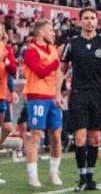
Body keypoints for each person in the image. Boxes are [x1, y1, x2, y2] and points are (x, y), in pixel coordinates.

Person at [60, 8, 101, 191]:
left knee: (95, 139)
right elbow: (61, 69)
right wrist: (57, 92)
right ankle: (81, 179)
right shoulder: (72, 44)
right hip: (78, 94)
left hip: (97, 95)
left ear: (97, 21)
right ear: (80, 21)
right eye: (86, 18)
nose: (89, 21)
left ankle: (90, 178)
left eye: (92, 18)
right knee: (80, 137)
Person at [22, 19, 64, 188]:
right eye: (51, 30)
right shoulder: (30, 51)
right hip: (37, 96)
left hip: (52, 97)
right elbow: (40, 71)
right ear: (41, 33)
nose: (54, 33)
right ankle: (32, 174)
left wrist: (59, 92)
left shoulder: (53, 49)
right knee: (36, 136)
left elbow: (59, 73)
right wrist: (55, 62)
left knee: (56, 135)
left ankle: (54, 170)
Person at [0, 24, 17, 186]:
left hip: (2, 94)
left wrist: (13, 90)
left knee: (6, 128)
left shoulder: (6, 49)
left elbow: (12, 70)